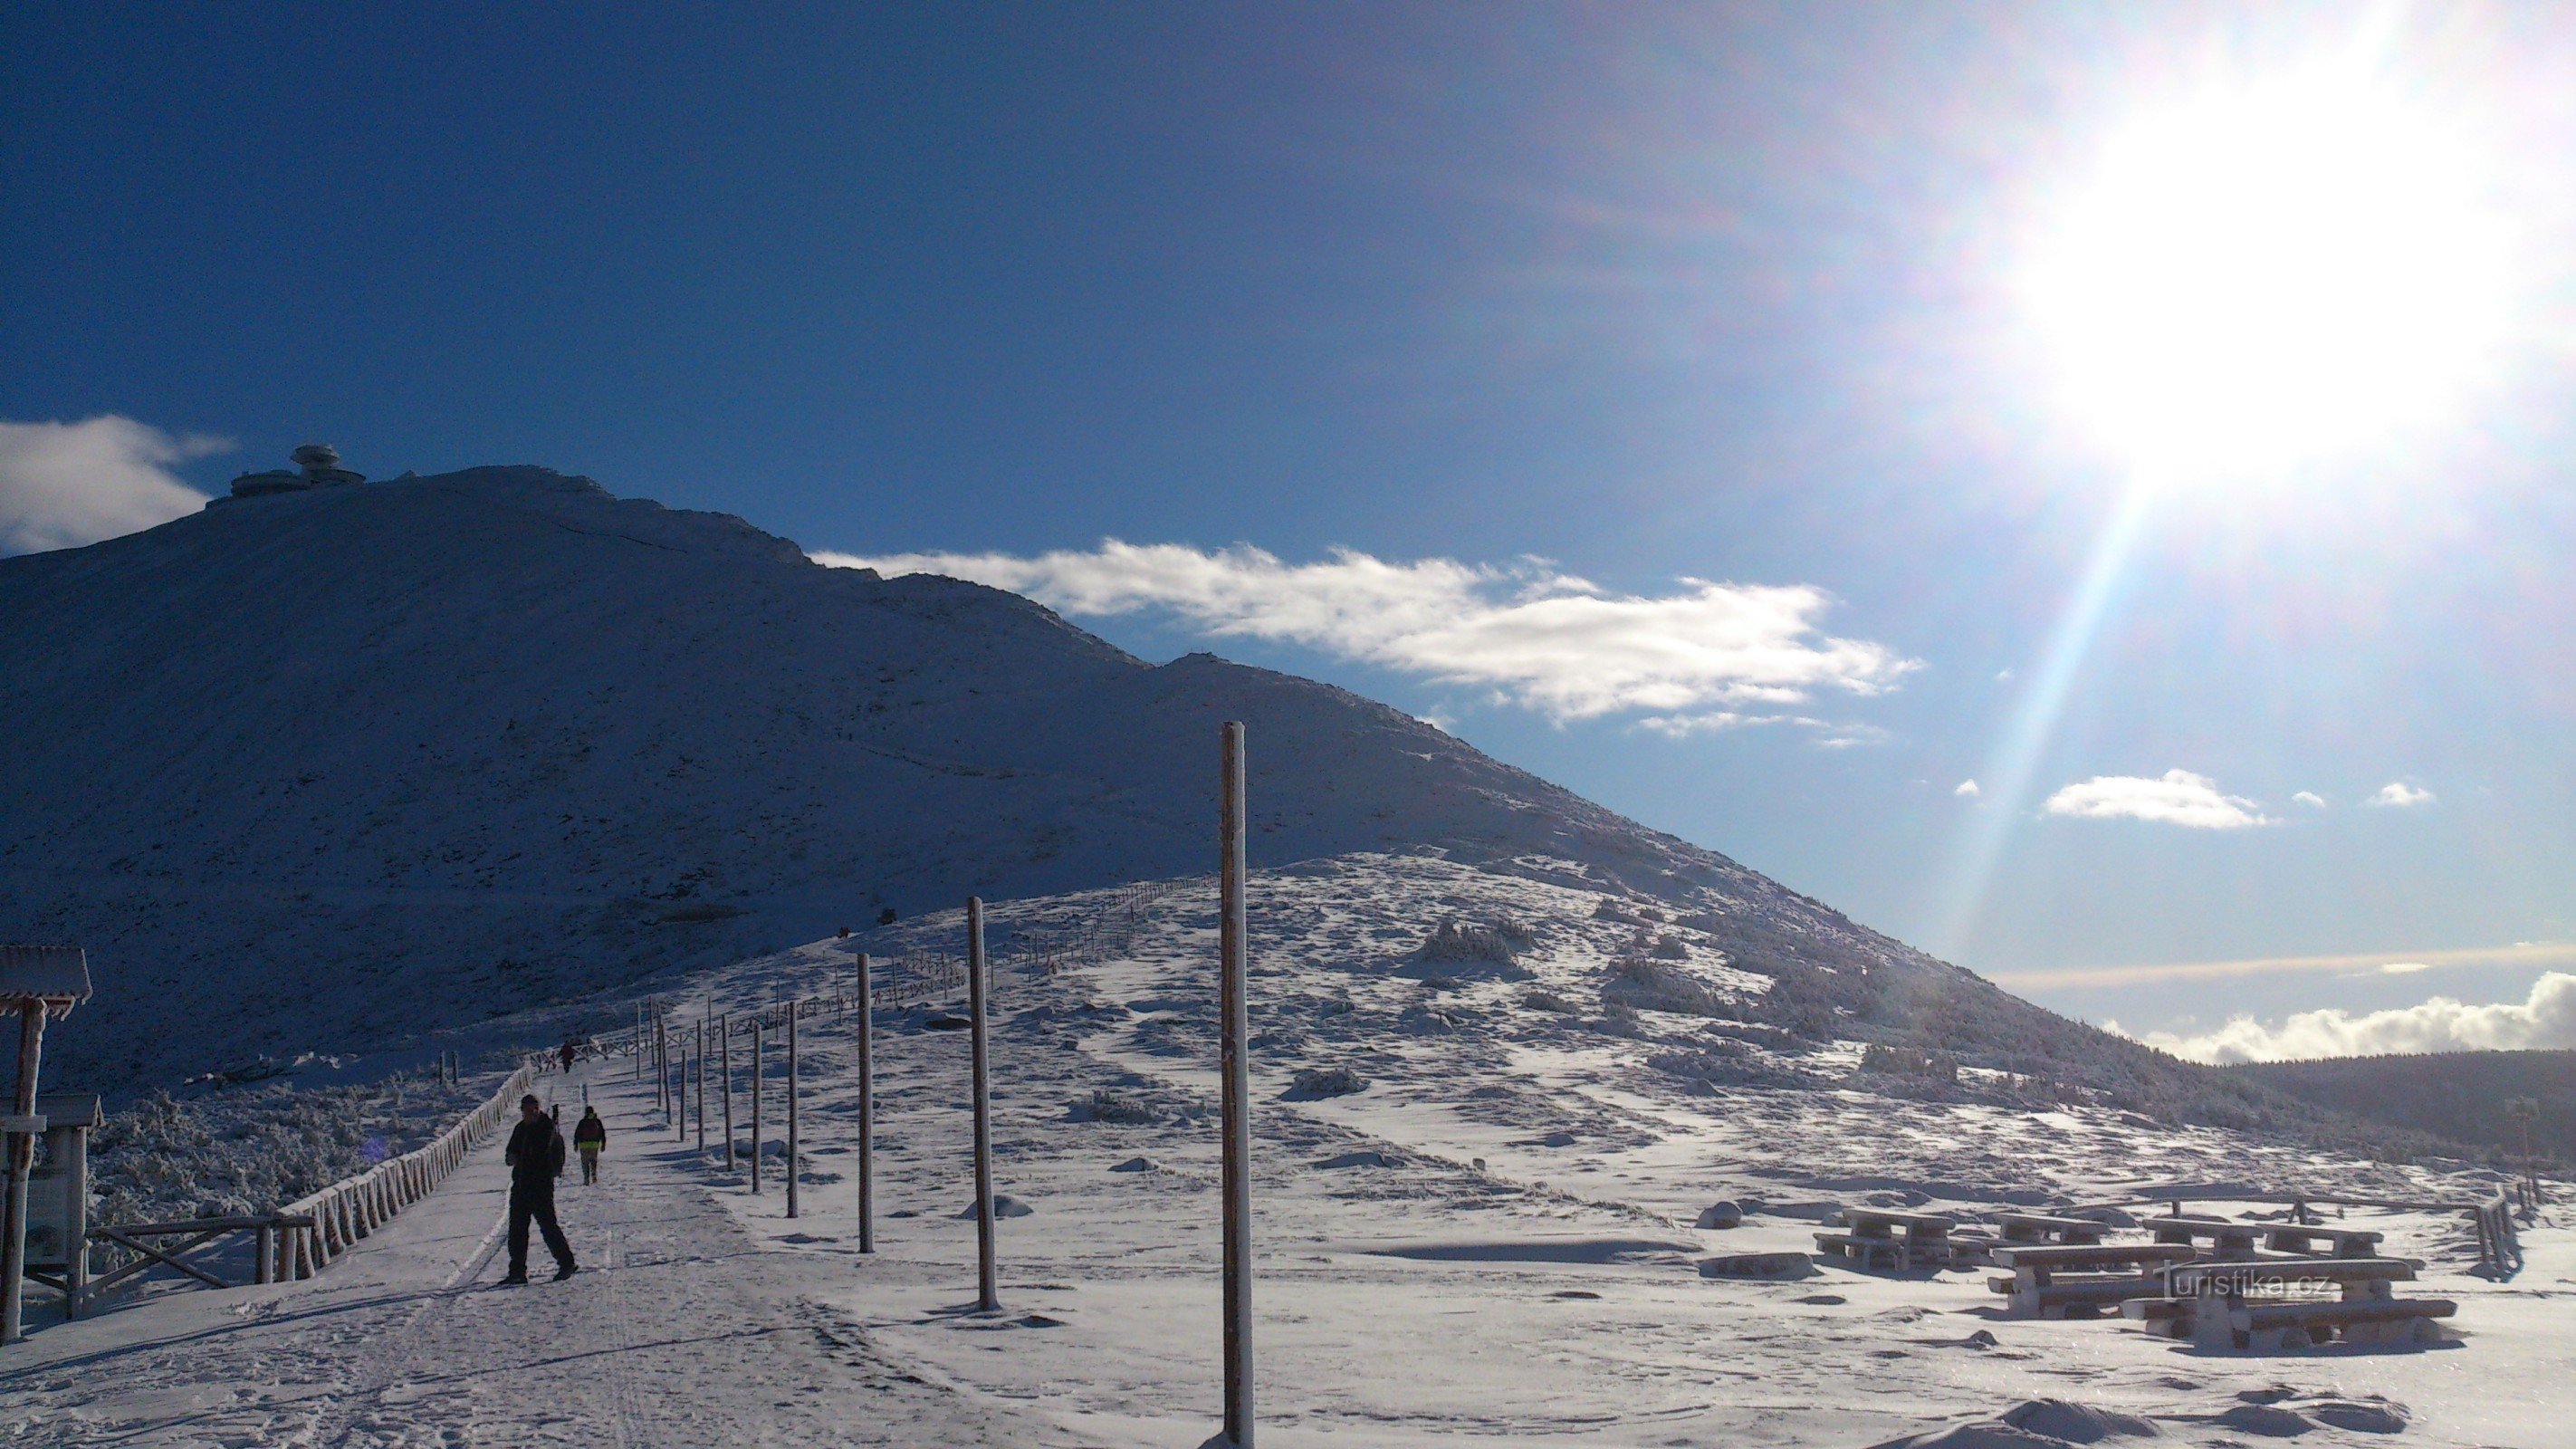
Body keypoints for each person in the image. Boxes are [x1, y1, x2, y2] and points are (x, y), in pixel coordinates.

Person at [501, 1094, 578, 1283]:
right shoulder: (520, 1129)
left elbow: (540, 1153)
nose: (531, 1112)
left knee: (548, 1225)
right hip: (521, 1184)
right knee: (517, 1229)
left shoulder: (546, 1127)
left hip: (540, 1185)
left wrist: (522, 1157)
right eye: (527, 1109)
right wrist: (512, 1158)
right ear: (522, 1110)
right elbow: (511, 1153)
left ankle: (567, 1263)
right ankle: (517, 1271)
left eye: (534, 1108)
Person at [573, 1105, 608, 1185]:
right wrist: (603, 1144)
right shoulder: (597, 1121)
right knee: (593, 1160)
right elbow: (602, 1133)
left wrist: (575, 1144)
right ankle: (594, 1174)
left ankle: (586, 1178)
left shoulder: (582, 1122)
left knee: (585, 1162)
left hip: (583, 1145)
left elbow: (577, 1134)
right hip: (594, 1145)